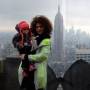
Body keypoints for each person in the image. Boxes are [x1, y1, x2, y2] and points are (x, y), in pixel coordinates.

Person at [20, 15, 52, 90]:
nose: (39, 29)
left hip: (38, 72)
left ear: (45, 27)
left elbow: (43, 56)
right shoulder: (36, 39)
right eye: (37, 27)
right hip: (30, 72)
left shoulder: (46, 41)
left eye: (41, 26)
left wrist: (27, 57)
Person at [12, 21, 36, 90]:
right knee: (25, 57)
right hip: (23, 50)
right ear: (21, 30)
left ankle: (30, 66)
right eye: (24, 30)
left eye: (27, 29)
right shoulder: (19, 35)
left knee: (30, 53)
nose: (26, 31)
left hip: (28, 50)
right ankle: (26, 70)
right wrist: (18, 45)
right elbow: (14, 41)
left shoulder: (30, 34)